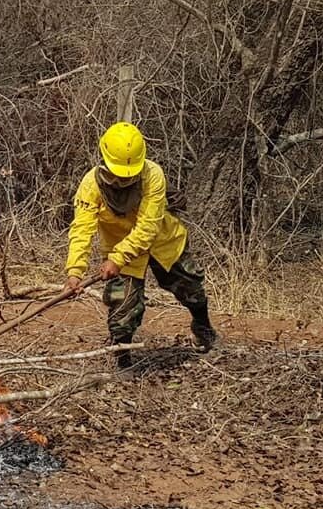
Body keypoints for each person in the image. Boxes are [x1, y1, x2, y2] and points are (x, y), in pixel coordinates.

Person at [64, 121, 217, 368]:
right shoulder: (90, 186)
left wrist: (117, 258)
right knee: (122, 310)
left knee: (191, 288)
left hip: (162, 243)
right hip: (121, 253)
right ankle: (124, 363)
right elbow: (81, 229)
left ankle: (203, 327)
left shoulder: (153, 175)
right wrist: (74, 272)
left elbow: (148, 227)